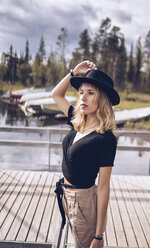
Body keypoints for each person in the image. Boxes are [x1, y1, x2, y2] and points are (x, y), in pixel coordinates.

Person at [51, 60, 120, 248]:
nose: (83, 98)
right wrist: (73, 72)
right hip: (67, 196)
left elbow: (104, 188)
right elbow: (56, 94)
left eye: (91, 93)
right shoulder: (77, 122)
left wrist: (98, 236)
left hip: (83, 203)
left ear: (102, 99)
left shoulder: (105, 138)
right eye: (81, 92)